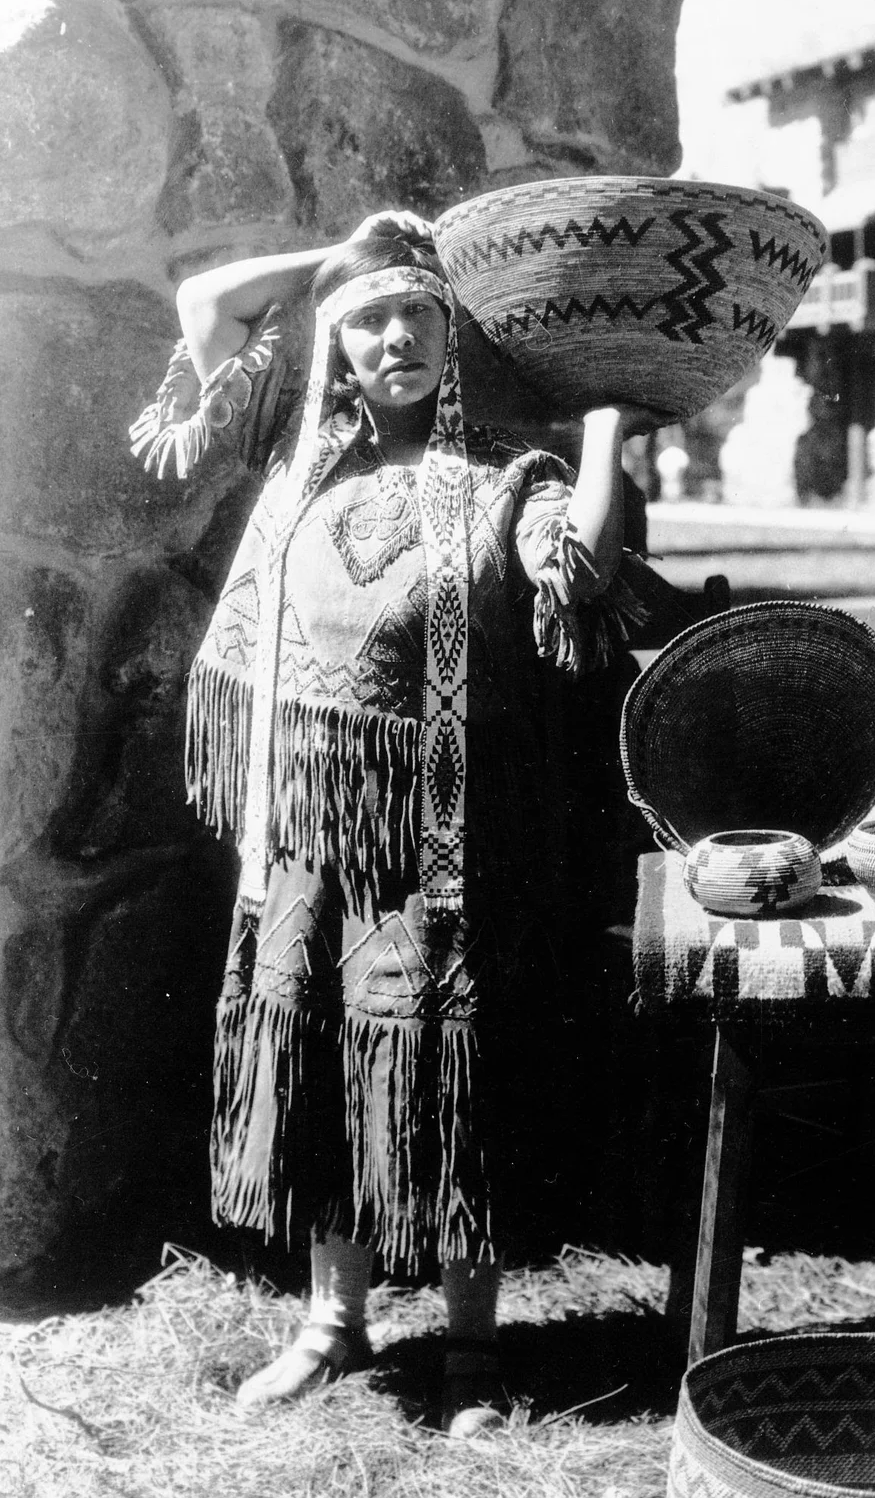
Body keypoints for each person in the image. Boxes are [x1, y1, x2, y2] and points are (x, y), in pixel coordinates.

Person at [130, 210, 647, 1433]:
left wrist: (611, 420)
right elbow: (209, 301)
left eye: (419, 310)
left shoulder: (509, 479)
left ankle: (471, 1350)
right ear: (336, 348)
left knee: (442, 1073)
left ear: (452, 332)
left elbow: (576, 571)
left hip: (446, 850)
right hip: (306, 835)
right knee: (312, 1062)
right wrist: (341, 263)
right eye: (370, 322)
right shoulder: (301, 457)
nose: (397, 336)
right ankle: (333, 1324)